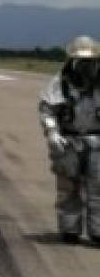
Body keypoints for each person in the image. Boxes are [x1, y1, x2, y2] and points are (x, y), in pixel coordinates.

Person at [39, 35, 100, 243]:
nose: (86, 65)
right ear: (71, 60)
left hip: (98, 142)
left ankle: (98, 232)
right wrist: (52, 132)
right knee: (68, 187)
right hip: (69, 141)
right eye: (82, 61)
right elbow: (47, 110)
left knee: (98, 188)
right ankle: (70, 230)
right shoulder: (60, 83)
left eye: (91, 61)